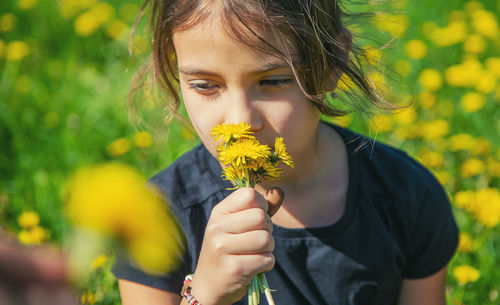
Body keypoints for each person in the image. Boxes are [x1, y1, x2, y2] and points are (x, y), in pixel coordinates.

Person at [113, 0, 459, 304]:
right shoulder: (155, 218)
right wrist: (204, 297)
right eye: (205, 85)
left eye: (273, 81)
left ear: (333, 63)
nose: (241, 121)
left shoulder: (408, 198)